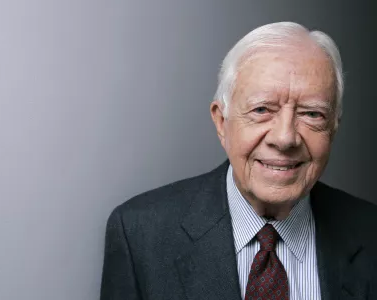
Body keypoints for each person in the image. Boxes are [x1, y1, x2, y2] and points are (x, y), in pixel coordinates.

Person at [100, 22, 377, 300]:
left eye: (312, 114)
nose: (285, 138)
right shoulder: (139, 235)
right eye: (261, 109)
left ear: (333, 127)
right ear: (222, 122)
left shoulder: (369, 233)